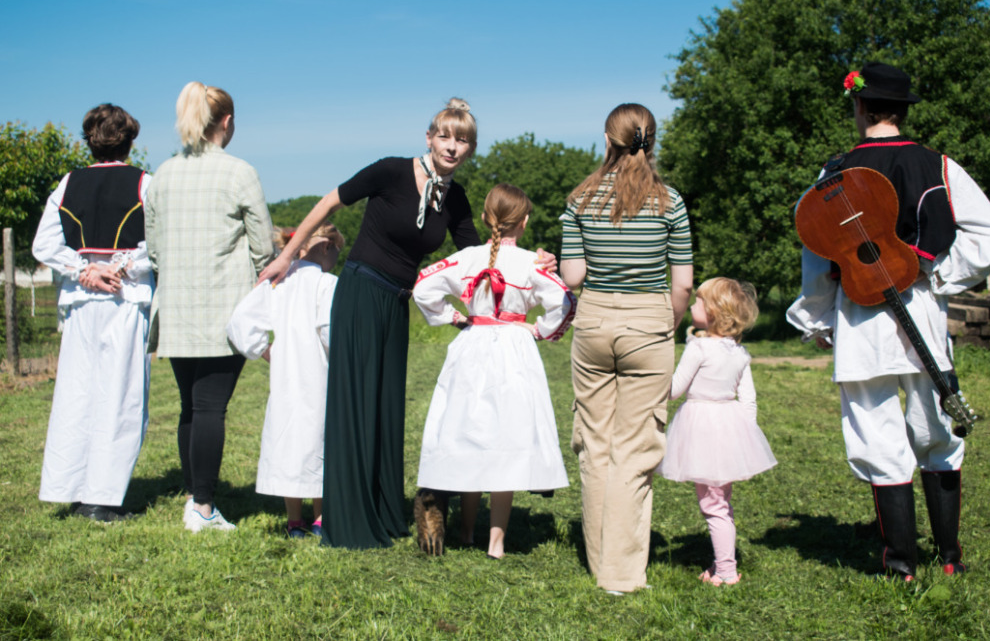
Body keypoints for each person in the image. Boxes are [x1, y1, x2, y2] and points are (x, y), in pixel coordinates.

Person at [260, 98, 555, 549]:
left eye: (462, 140)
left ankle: (383, 513)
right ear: (429, 138)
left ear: (470, 148)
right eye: (445, 136)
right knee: (357, 404)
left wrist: (533, 260)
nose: (452, 147)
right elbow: (328, 204)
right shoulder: (391, 172)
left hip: (397, 303)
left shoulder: (454, 199)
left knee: (386, 409)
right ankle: (348, 520)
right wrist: (285, 256)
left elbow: (480, 258)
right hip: (359, 292)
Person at [786, 62, 990, 579]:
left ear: (859, 107)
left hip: (861, 323)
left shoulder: (834, 173)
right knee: (936, 430)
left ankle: (902, 566)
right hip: (923, 316)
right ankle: (949, 560)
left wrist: (818, 319)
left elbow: (817, 257)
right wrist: (936, 277)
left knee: (876, 434)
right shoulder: (937, 165)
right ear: (902, 109)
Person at [559, 103, 694, 595]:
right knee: (635, 448)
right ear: (651, 140)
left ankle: (600, 564)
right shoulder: (670, 202)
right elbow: (683, 286)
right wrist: (666, 324)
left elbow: (572, 277)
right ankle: (620, 574)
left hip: (594, 321)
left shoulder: (579, 200)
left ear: (607, 138)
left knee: (595, 444)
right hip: (649, 323)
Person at [412, 183, 576, 559]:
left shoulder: (466, 257)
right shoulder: (532, 264)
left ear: (486, 218)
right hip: (514, 350)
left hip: (472, 345)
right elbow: (565, 301)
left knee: (472, 432)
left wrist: (453, 316)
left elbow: (423, 285)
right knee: (508, 435)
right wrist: (538, 330)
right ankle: (496, 541)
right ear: (526, 220)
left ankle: (467, 530)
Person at [146, 81, 275, 533]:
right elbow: (263, 244)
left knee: (190, 406)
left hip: (177, 306)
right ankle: (202, 508)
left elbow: (155, 248)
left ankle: (193, 496)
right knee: (210, 408)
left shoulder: (161, 174)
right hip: (224, 306)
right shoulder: (240, 172)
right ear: (226, 121)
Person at [32, 104, 152, 523]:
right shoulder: (145, 183)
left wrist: (84, 270)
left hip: (81, 300)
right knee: (119, 396)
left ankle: (72, 488)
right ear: (130, 141)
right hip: (125, 295)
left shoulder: (69, 183)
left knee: (76, 393)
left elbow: (44, 245)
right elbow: (156, 242)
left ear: (89, 140)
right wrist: (115, 268)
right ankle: (101, 498)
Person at [658, 278, 776, 586]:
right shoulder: (739, 352)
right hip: (728, 427)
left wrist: (650, 373)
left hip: (702, 429)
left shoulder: (698, 347)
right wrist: (743, 438)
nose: (692, 306)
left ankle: (725, 570)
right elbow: (748, 399)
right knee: (721, 500)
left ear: (713, 312)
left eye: (697, 302)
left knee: (713, 504)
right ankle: (721, 561)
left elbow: (673, 390)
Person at [226, 224, 343, 538]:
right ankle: (320, 517)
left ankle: (294, 520)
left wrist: (267, 352)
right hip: (319, 372)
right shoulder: (327, 283)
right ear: (327, 247)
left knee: (289, 439)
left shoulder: (276, 284)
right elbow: (330, 330)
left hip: (286, 375)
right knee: (320, 439)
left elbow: (239, 323)